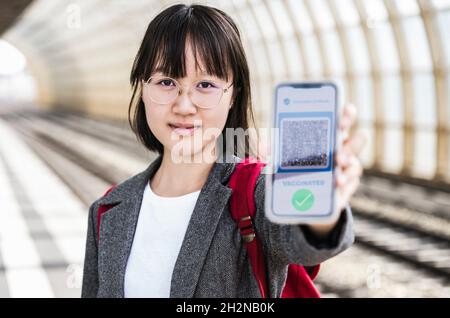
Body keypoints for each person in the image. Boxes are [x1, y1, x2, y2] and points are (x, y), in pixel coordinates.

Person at [81, 4, 366, 298]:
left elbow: (301, 241)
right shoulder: (108, 210)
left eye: (205, 85)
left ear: (233, 96)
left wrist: (321, 209)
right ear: (142, 88)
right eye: (166, 82)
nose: (183, 105)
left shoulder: (254, 192)